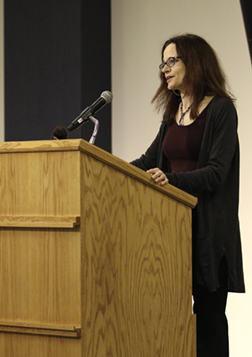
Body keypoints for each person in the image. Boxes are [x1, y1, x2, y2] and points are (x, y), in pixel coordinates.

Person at [130, 34, 245, 357]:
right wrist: (103, 168)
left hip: (207, 233)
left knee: (209, 321)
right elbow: (148, 162)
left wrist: (171, 179)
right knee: (172, 318)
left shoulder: (221, 110)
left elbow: (216, 172)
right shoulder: (173, 114)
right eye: (162, 63)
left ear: (193, 61)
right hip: (170, 231)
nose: (164, 69)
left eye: (172, 61)